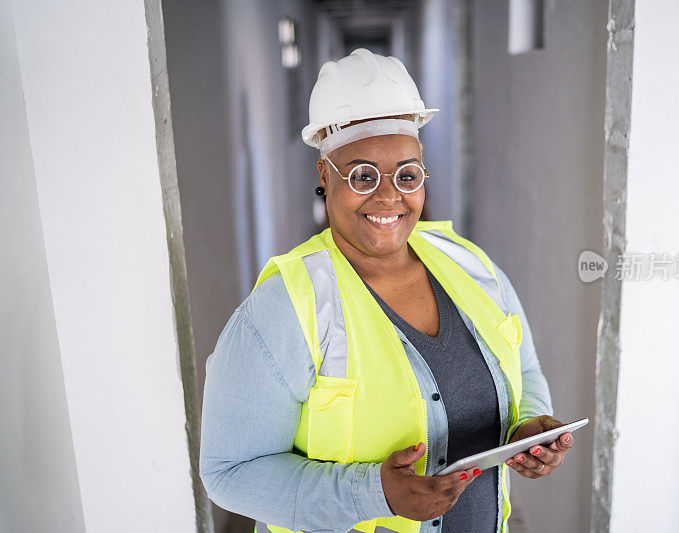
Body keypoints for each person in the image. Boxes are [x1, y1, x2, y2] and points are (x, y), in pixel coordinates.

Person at [199, 48, 574, 533]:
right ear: (323, 175)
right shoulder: (286, 308)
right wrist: (372, 493)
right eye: (362, 175)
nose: (388, 195)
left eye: (407, 174)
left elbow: (524, 368)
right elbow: (230, 473)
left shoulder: (471, 266)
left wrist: (529, 428)